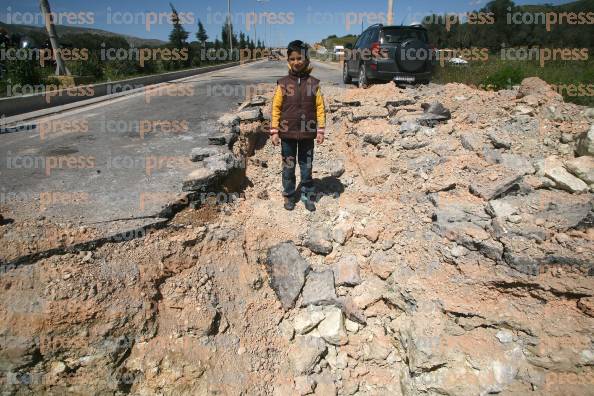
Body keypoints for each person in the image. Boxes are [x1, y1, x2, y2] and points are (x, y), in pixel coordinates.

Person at [270, 40, 326, 212]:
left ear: (306, 59)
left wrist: (320, 129)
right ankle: (288, 195)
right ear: (288, 60)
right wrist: (274, 130)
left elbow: (320, 107)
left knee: (306, 166)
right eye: (292, 59)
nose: (296, 62)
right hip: (287, 134)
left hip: (308, 134)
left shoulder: (314, 83)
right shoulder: (283, 83)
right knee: (288, 167)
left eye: (299, 58)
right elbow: (276, 107)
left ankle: (307, 195)